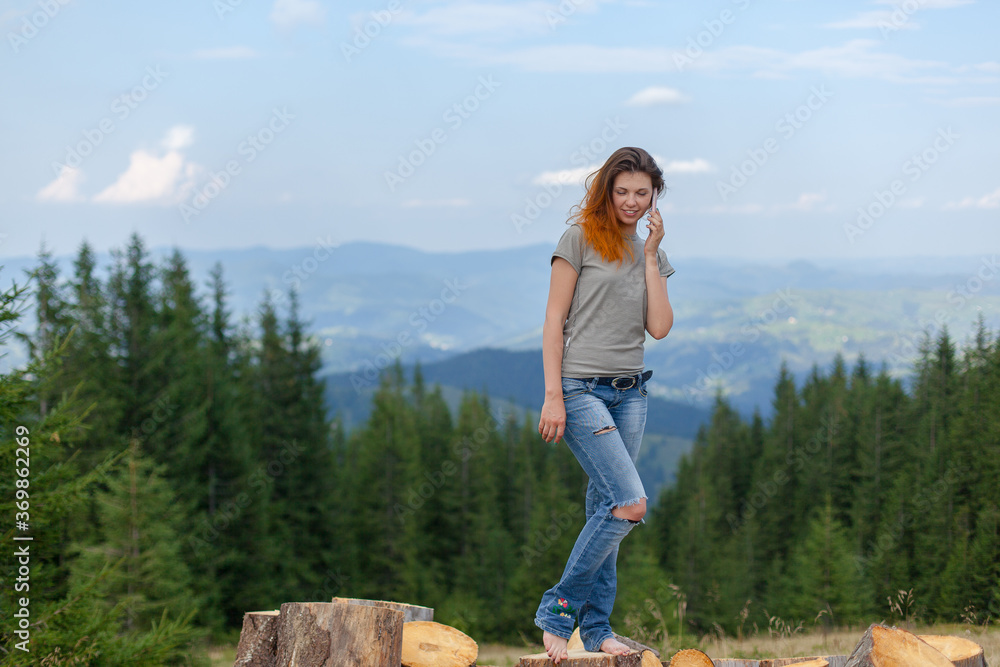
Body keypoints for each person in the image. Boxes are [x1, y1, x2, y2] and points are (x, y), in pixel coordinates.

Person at [534, 147, 674, 663]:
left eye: (642, 193)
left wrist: (654, 254)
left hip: (631, 393)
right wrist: (553, 397)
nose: (633, 202)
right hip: (580, 391)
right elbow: (553, 322)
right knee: (631, 504)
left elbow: (658, 327)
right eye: (623, 192)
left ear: (653, 195)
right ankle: (557, 608)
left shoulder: (648, 251)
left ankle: (597, 633)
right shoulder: (577, 240)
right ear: (606, 192)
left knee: (607, 507)